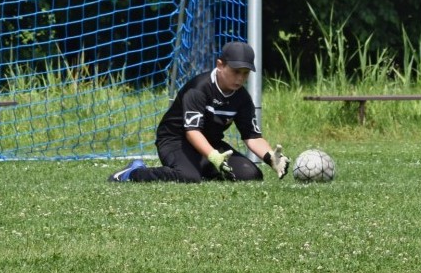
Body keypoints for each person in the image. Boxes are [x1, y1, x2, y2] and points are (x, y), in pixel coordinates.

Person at [108, 41, 291, 183]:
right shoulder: (199, 89)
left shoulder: (242, 98)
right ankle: (133, 173)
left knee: (251, 175)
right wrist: (213, 156)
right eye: (236, 71)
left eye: (245, 73)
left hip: (210, 144)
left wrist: (270, 158)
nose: (240, 78)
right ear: (220, 65)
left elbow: (252, 136)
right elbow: (192, 131)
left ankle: (201, 166)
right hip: (174, 141)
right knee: (188, 177)